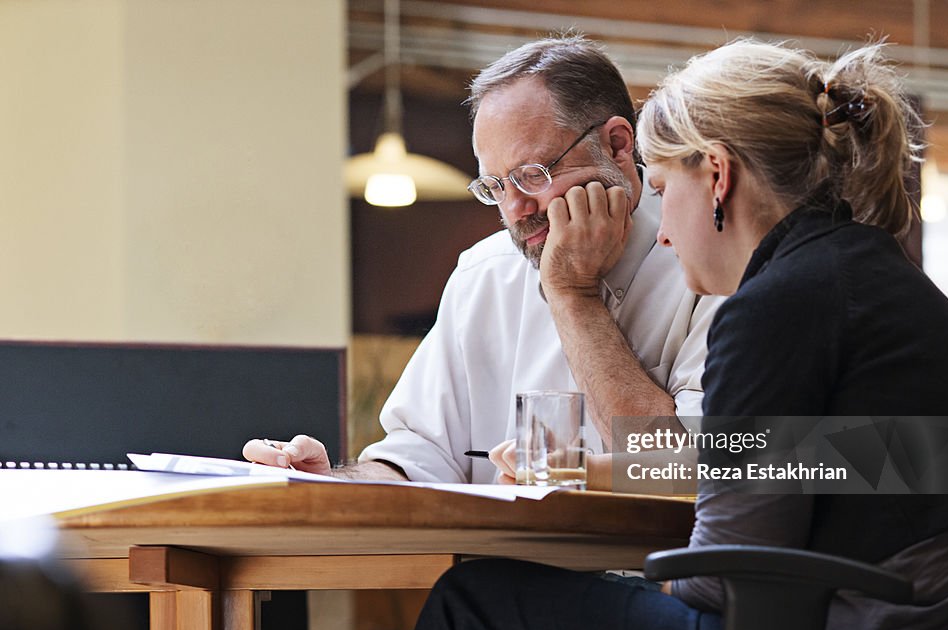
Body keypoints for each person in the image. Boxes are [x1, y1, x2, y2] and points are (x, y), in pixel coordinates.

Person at [384, 39, 948, 630]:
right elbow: (762, 458)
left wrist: (623, 602)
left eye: (660, 187)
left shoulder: (775, 306)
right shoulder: (853, 274)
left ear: (717, 175)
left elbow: (719, 572)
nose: (661, 229)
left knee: (478, 608)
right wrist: (594, 472)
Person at [243, 35, 720, 483]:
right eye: (494, 187)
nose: (515, 211)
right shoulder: (484, 272)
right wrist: (329, 484)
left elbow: (693, 469)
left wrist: (572, 296)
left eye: (533, 175)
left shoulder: (712, 263)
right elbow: (420, 455)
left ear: (618, 145)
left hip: (649, 568)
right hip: (504, 563)